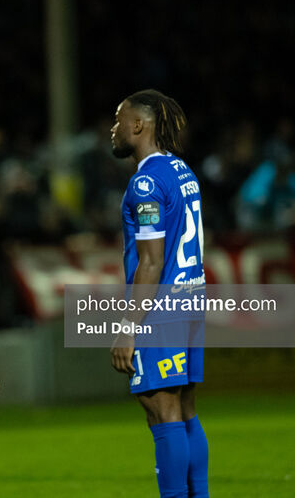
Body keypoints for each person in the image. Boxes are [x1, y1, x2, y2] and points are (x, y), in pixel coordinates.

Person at [109, 89, 209, 498]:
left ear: (138, 125)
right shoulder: (182, 170)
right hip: (191, 299)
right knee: (184, 410)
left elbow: (151, 261)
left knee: (161, 410)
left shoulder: (145, 182)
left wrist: (128, 328)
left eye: (118, 119)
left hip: (161, 309)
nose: (112, 128)